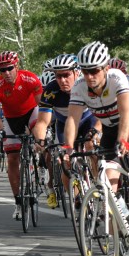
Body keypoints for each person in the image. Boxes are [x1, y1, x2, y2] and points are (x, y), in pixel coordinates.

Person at [64, 41, 129, 223]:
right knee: (108, 187)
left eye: (95, 71)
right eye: (85, 71)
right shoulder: (79, 86)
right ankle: (122, 226)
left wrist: (123, 140)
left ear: (106, 68)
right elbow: (72, 119)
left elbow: (124, 112)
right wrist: (68, 147)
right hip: (109, 128)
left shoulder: (116, 78)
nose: (90, 76)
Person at [32, 54, 99, 208]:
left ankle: (98, 185)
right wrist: (40, 140)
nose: (62, 80)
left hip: (89, 121)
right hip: (65, 126)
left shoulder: (86, 85)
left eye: (66, 75)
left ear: (76, 72)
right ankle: (76, 198)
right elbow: (42, 122)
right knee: (65, 161)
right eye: (58, 76)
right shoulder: (51, 90)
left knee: (91, 147)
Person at [0, 51, 43, 220]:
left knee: (39, 136)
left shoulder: (30, 79)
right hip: (12, 119)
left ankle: (39, 166)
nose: (6, 73)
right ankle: (18, 201)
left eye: (9, 68)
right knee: (12, 159)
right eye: (2, 70)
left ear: (16, 66)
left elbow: (42, 105)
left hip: (31, 113)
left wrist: (43, 129)